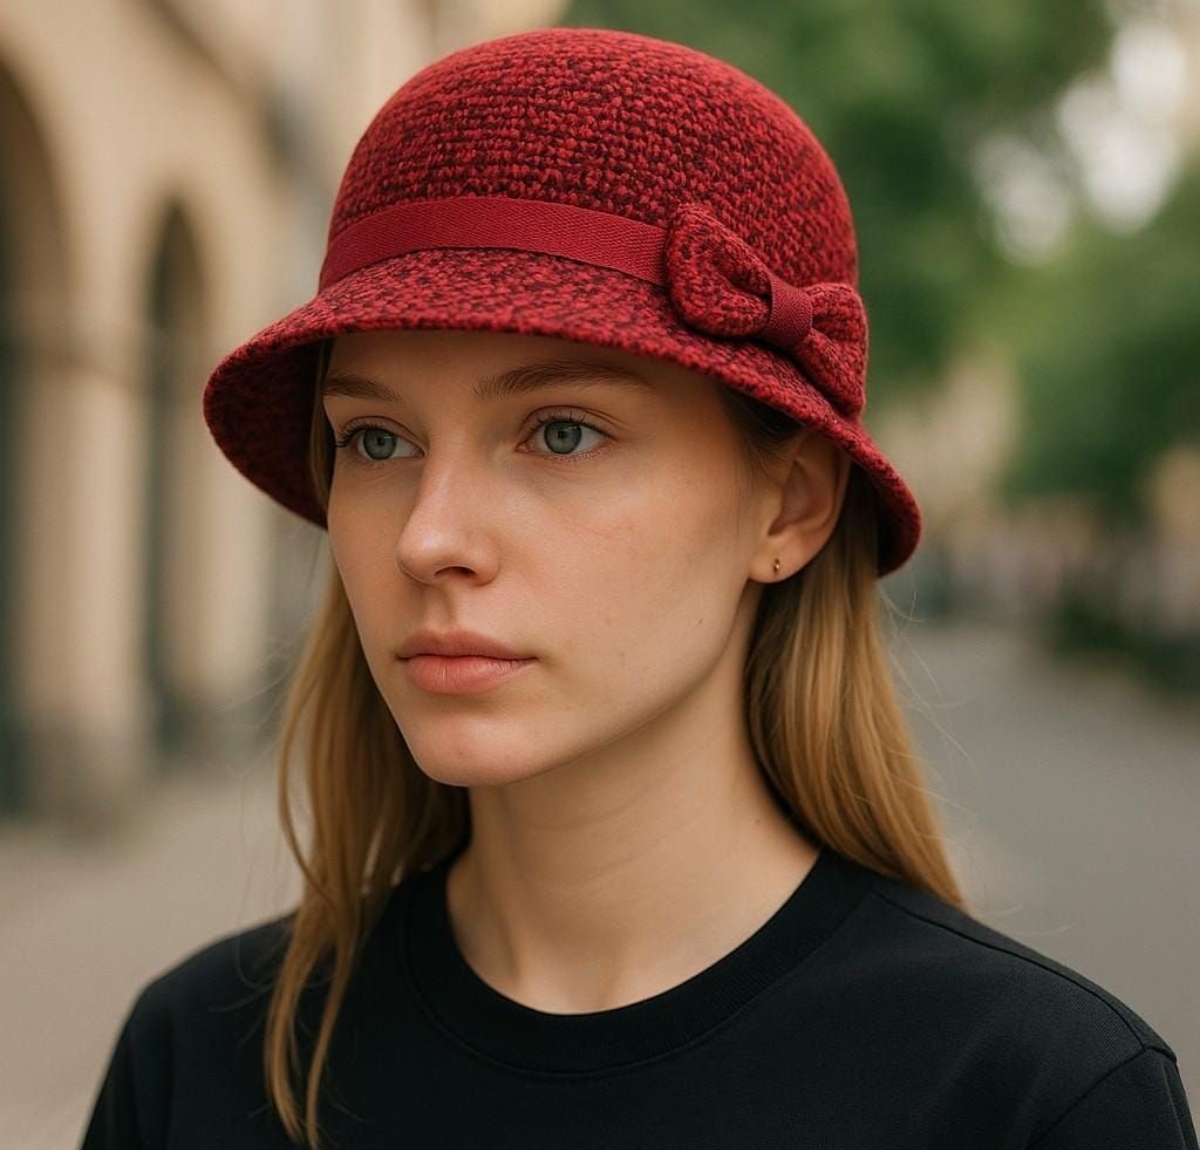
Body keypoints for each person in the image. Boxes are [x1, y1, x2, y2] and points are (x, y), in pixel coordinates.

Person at [80, 25, 1196, 1150]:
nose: (429, 536)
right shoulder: (202, 1059)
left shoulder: (1032, 1098)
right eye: (375, 440)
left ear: (789, 507)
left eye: (560, 430)